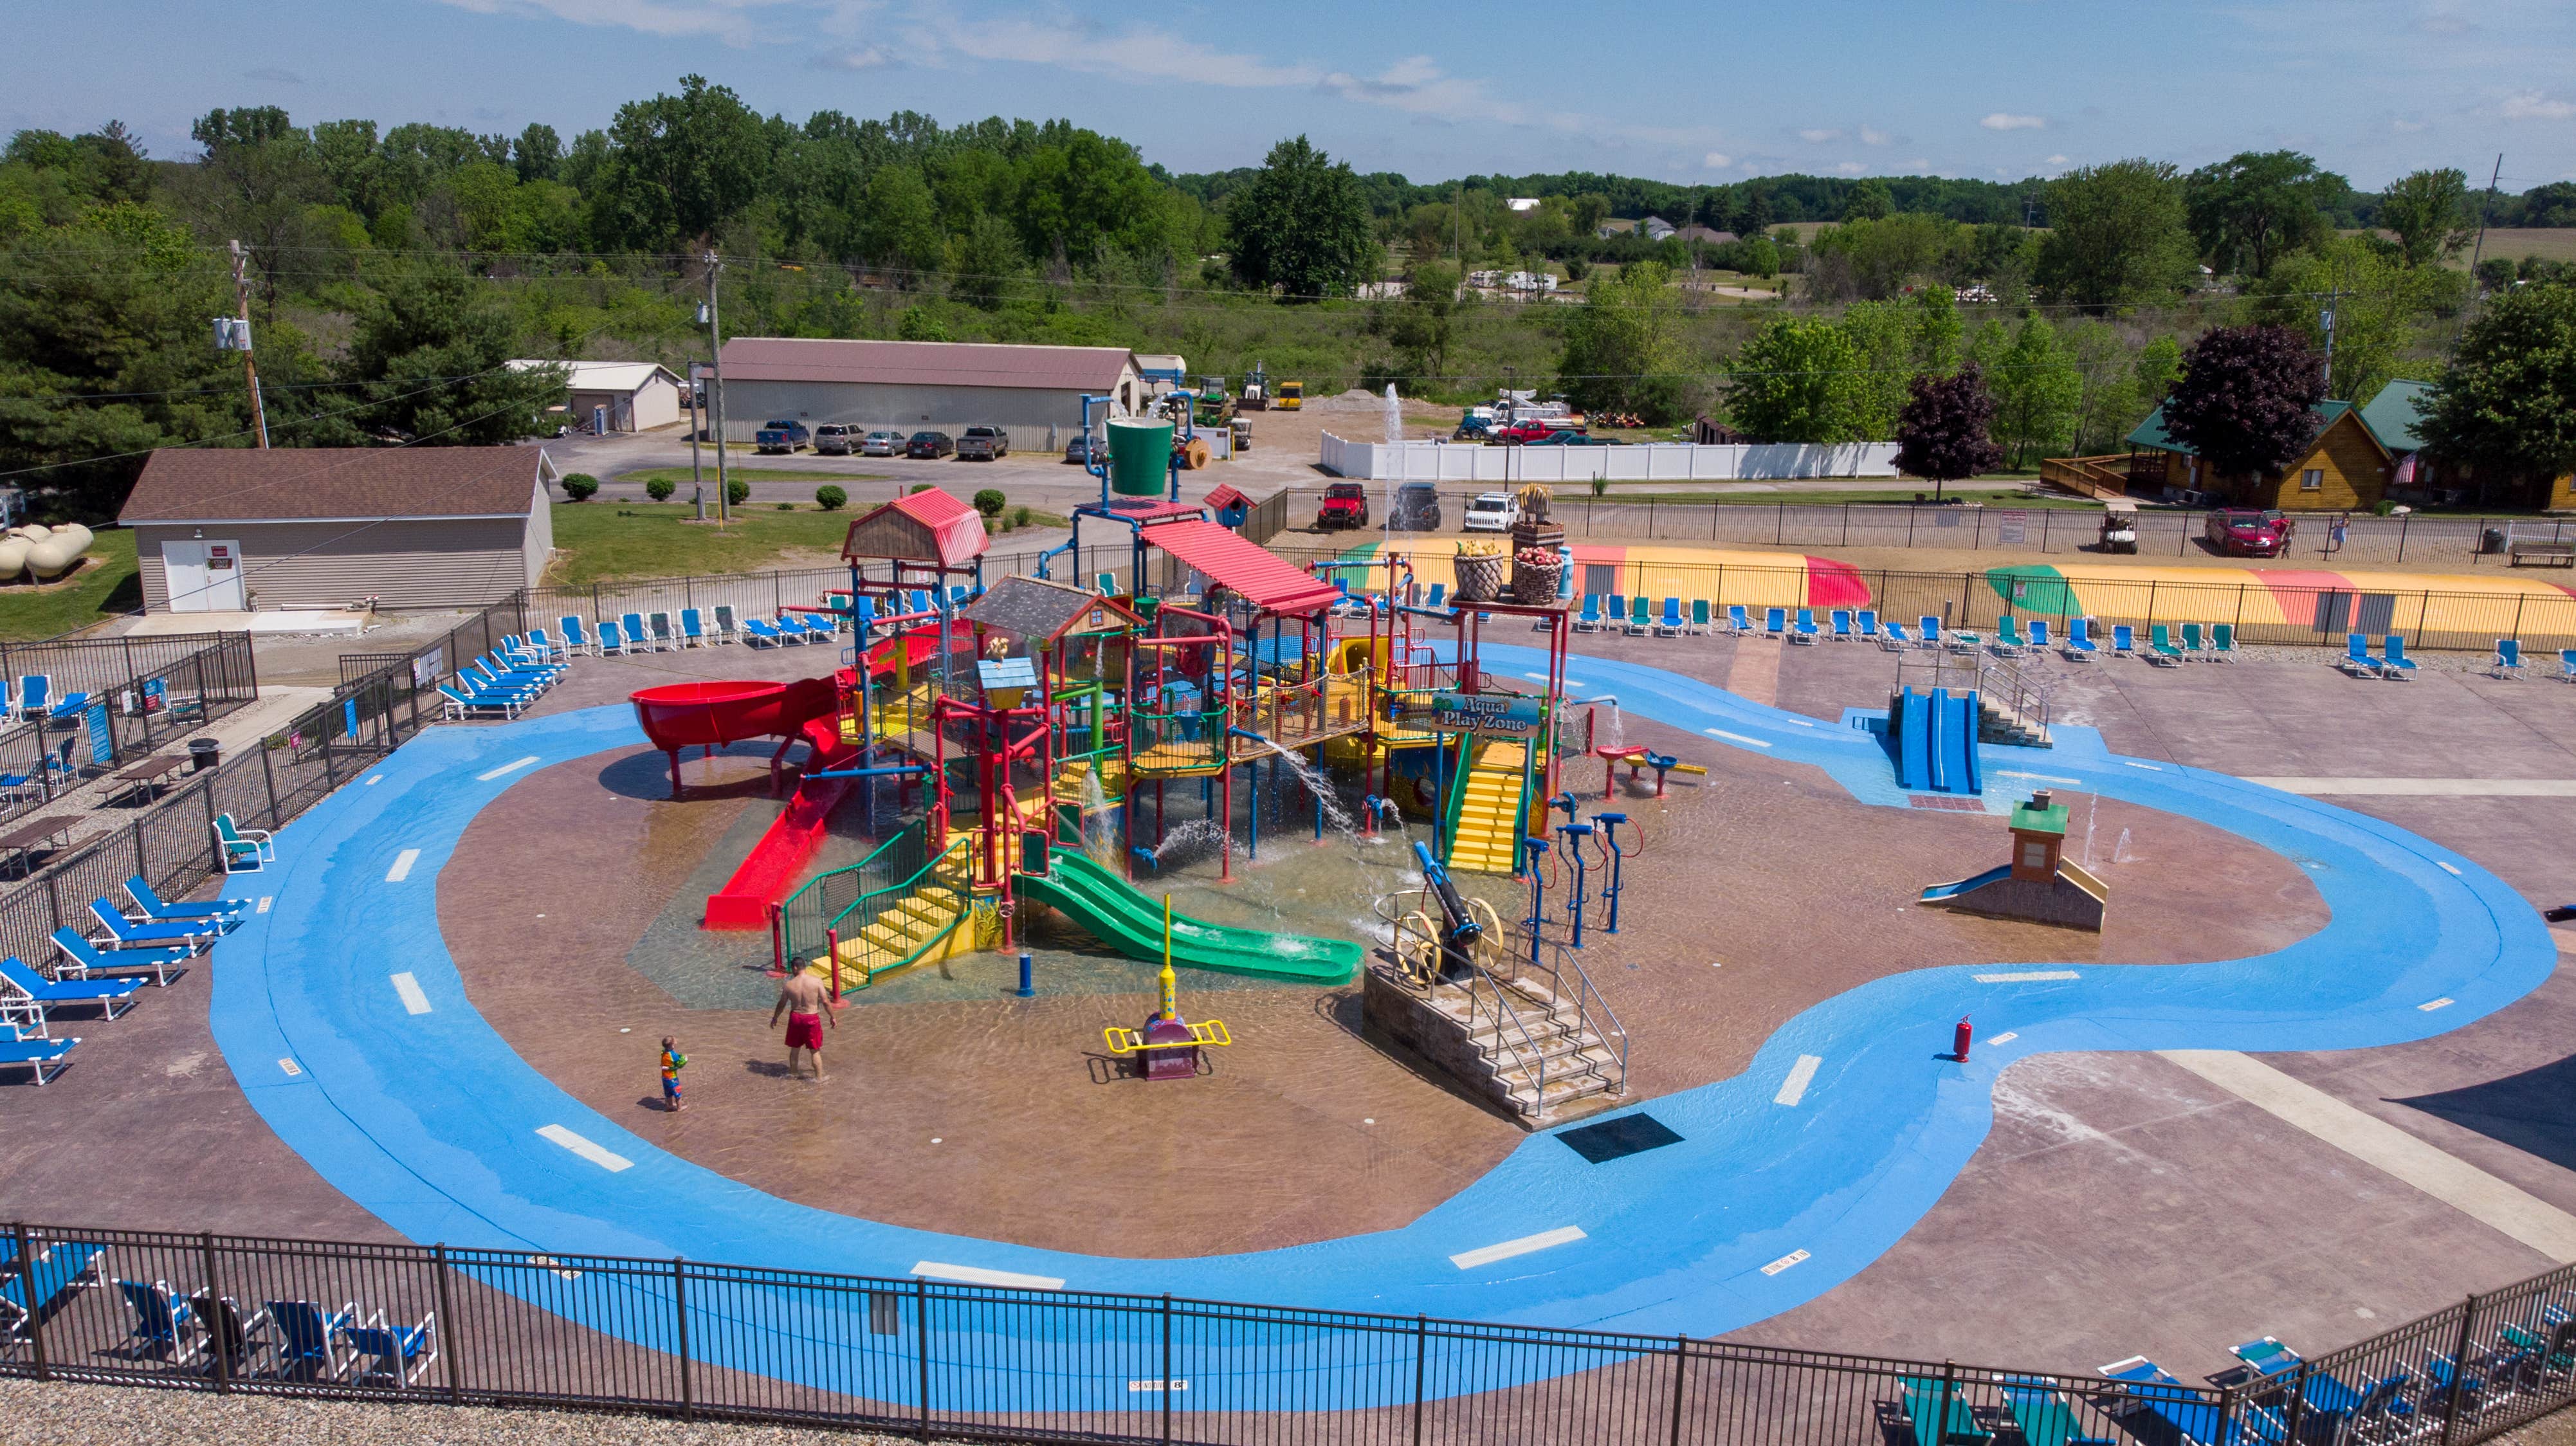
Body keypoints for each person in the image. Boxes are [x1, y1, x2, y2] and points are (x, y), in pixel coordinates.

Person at [771, 967, 836, 1081]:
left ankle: (793, 1074)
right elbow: (826, 1001)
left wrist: (775, 1017)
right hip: (811, 1018)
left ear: (795, 968)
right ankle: (819, 1079)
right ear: (804, 967)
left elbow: (782, 1004)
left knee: (795, 1049)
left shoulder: (789, 985)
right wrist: (832, 1016)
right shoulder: (817, 981)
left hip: (796, 1018)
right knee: (815, 1051)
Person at [659, 1036, 687, 1112]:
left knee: (668, 1093)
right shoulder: (673, 1055)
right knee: (677, 1093)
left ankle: (670, 1106)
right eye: (674, 1044)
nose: (675, 1045)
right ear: (672, 1045)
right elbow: (680, 1064)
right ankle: (680, 1108)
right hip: (672, 1078)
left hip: (665, 1077)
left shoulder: (663, 1052)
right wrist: (685, 1059)